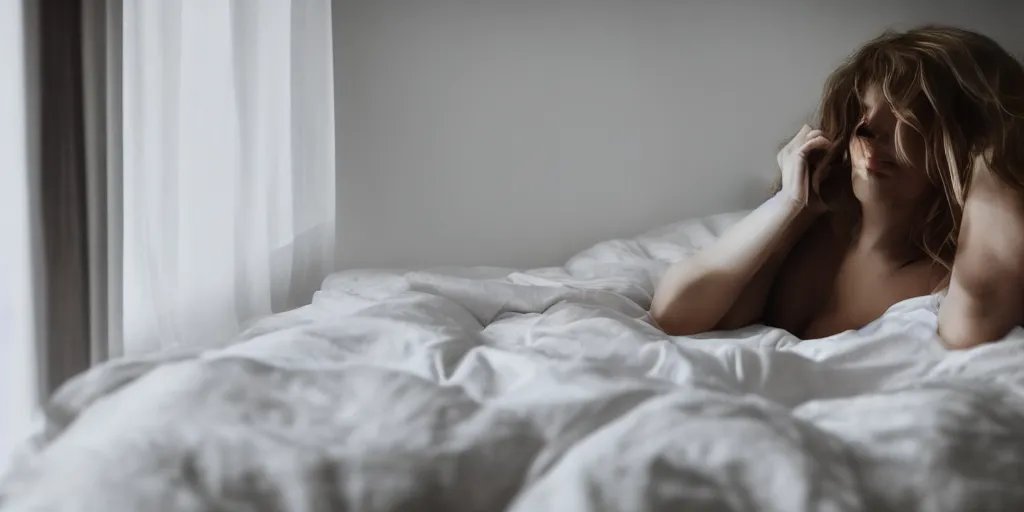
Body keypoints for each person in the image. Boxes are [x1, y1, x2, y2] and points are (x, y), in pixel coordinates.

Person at [650, 26, 1024, 349]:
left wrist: (998, 151)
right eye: (863, 109)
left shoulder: (947, 275)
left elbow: (974, 322)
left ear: (967, 141)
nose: (867, 129)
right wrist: (787, 206)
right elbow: (674, 314)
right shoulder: (810, 230)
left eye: (910, 114)